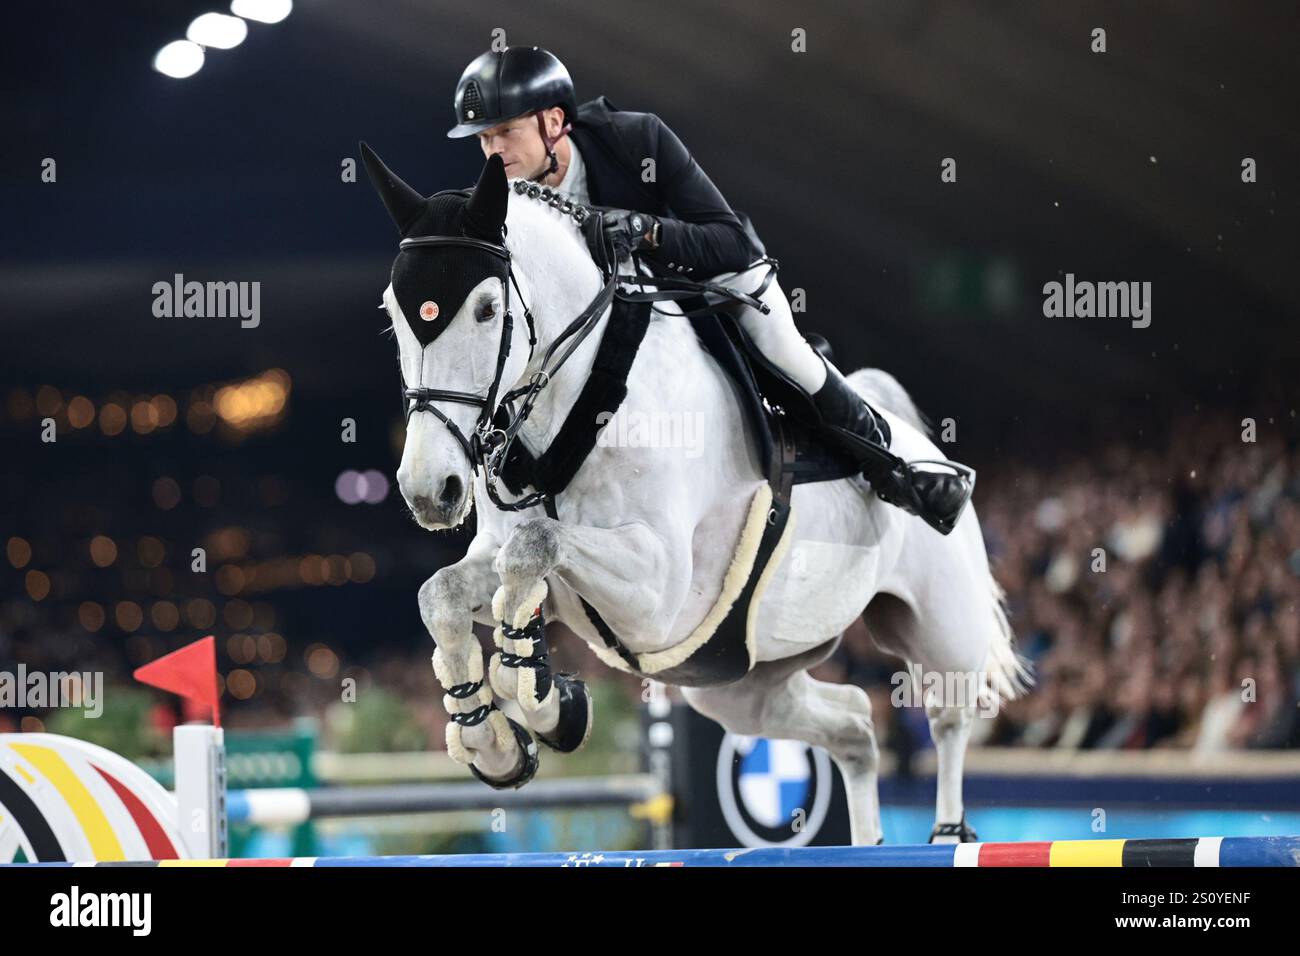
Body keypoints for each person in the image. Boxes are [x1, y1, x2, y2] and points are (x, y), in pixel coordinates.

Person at [445, 46, 974, 532]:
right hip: (618, 323)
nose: (493, 153)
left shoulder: (638, 140)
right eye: (483, 140)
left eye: (505, 133)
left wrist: (647, 231)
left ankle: (892, 469)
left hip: (708, 280)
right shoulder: (506, 203)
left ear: (553, 121)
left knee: (780, 344)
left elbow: (729, 242)